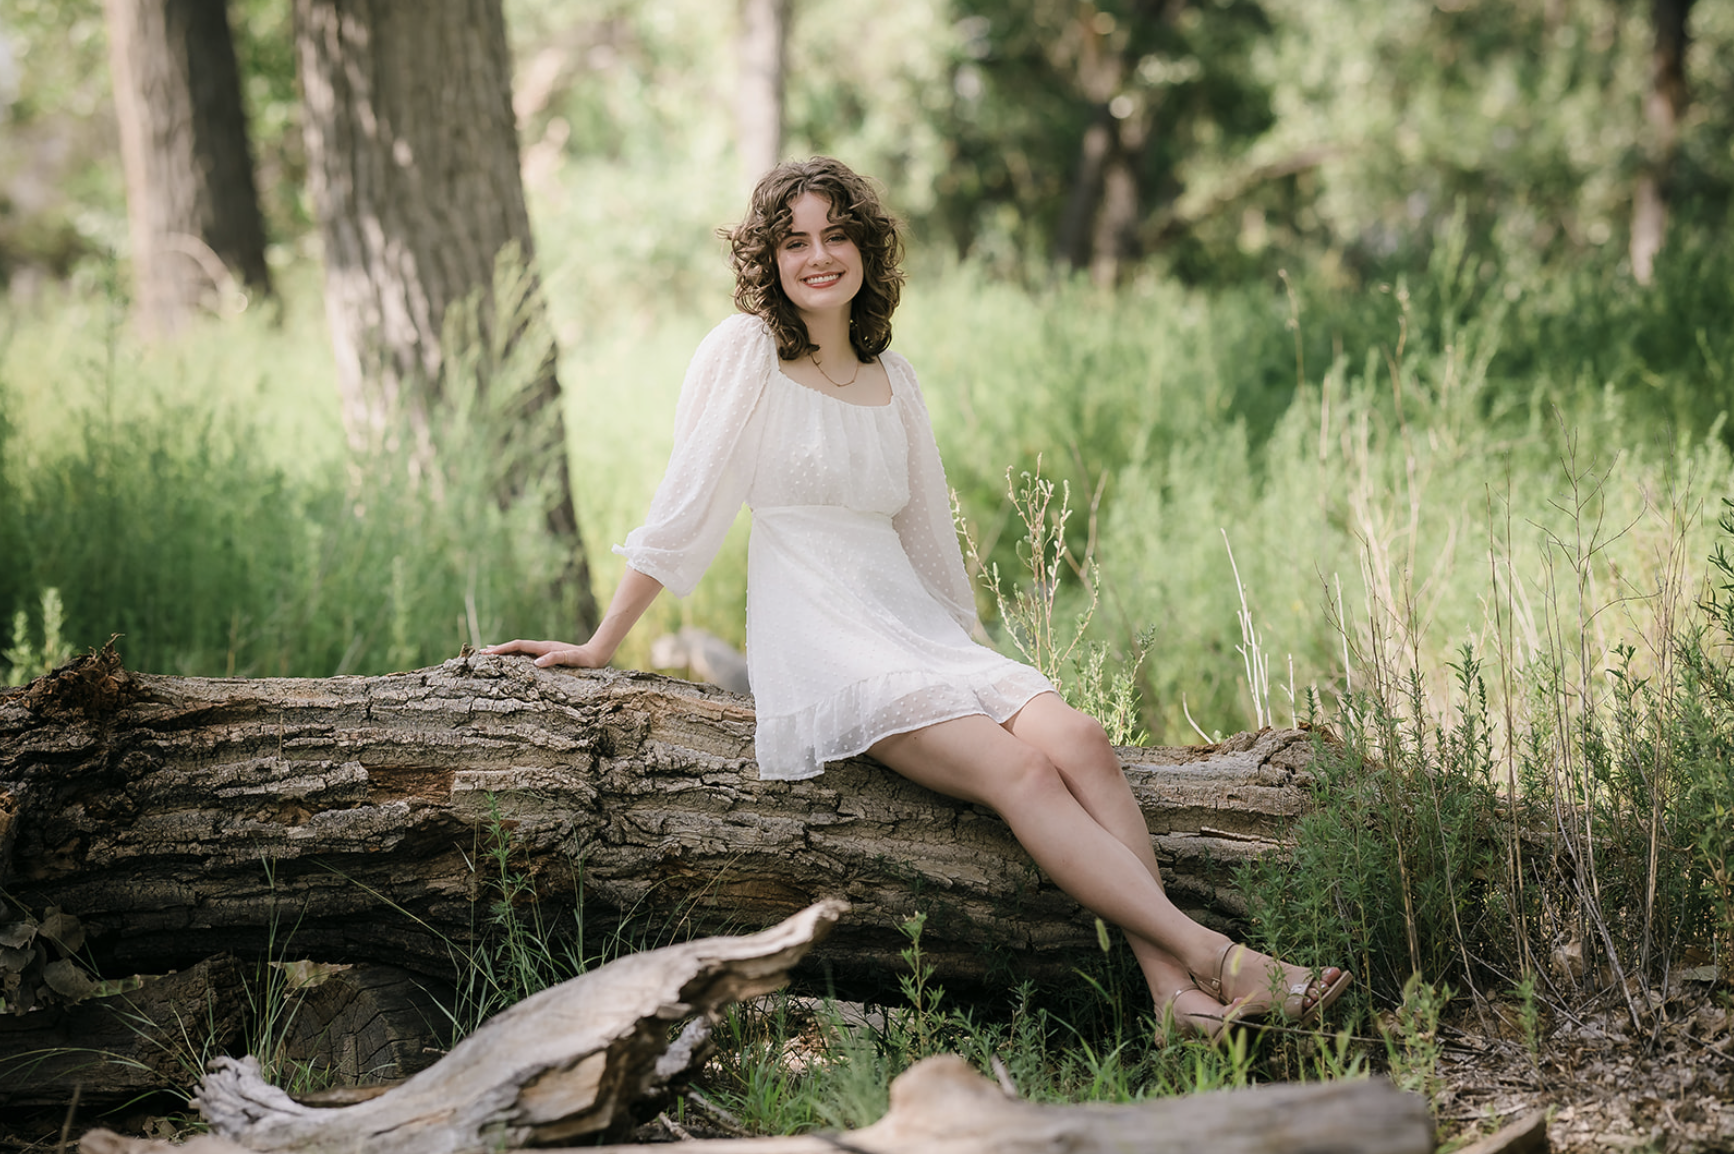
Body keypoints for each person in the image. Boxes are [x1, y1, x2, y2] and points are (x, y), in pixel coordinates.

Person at [483, 156, 1350, 1040]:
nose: (818, 256)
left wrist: (981, 669)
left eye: (834, 235)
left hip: (914, 627)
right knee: (1019, 773)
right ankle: (1223, 961)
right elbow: (685, 510)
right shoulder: (744, 353)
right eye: (794, 242)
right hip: (823, 636)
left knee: (1079, 739)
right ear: (769, 261)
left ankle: (1173, 998)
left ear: (865, 245)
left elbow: (929, 541)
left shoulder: (893, 376)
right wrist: (599, 644)